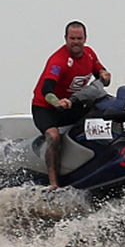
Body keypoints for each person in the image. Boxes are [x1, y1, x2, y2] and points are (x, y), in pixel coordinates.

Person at [32, 21, 111, 189]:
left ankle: (104, 159)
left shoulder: (89, 54)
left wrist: (104, 74)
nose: (76, 42)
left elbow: (100, 71)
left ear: (85, 39)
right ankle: (54, 183)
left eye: (79, 38)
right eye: (72, 38)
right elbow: (47, 89)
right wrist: (57, 102)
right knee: (54, 136)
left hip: (72, 104)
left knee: (102, 108)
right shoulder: (58, 61)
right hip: (46, 108)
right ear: (66, 38)